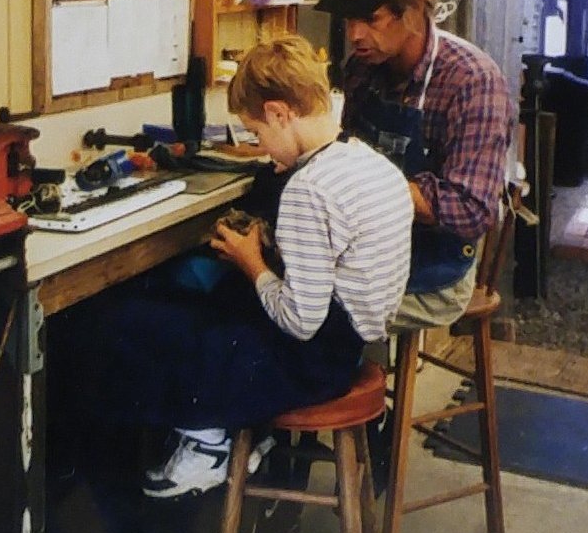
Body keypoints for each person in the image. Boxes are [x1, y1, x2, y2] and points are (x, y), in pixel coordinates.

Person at [69, 35, 413, 500]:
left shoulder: (309, 189)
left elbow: (300, 320)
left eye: (257, 133)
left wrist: (250, 262)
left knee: (127, 324)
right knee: (197, 309)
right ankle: (229, 428)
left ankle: (208, 440)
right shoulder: (369, 163)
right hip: (352, 346)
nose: (261, 147)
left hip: (310, 363)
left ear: (279, 113)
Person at [315, 0, 516, 330]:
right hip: (368, 251)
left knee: (306, 307)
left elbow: (470, 211)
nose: (354, 35)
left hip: (436, 268)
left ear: (412, 13)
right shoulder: (362, 68)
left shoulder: (472, 81)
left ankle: (357, 388)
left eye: (370, 19)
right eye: (348, 20)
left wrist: (370, 187)